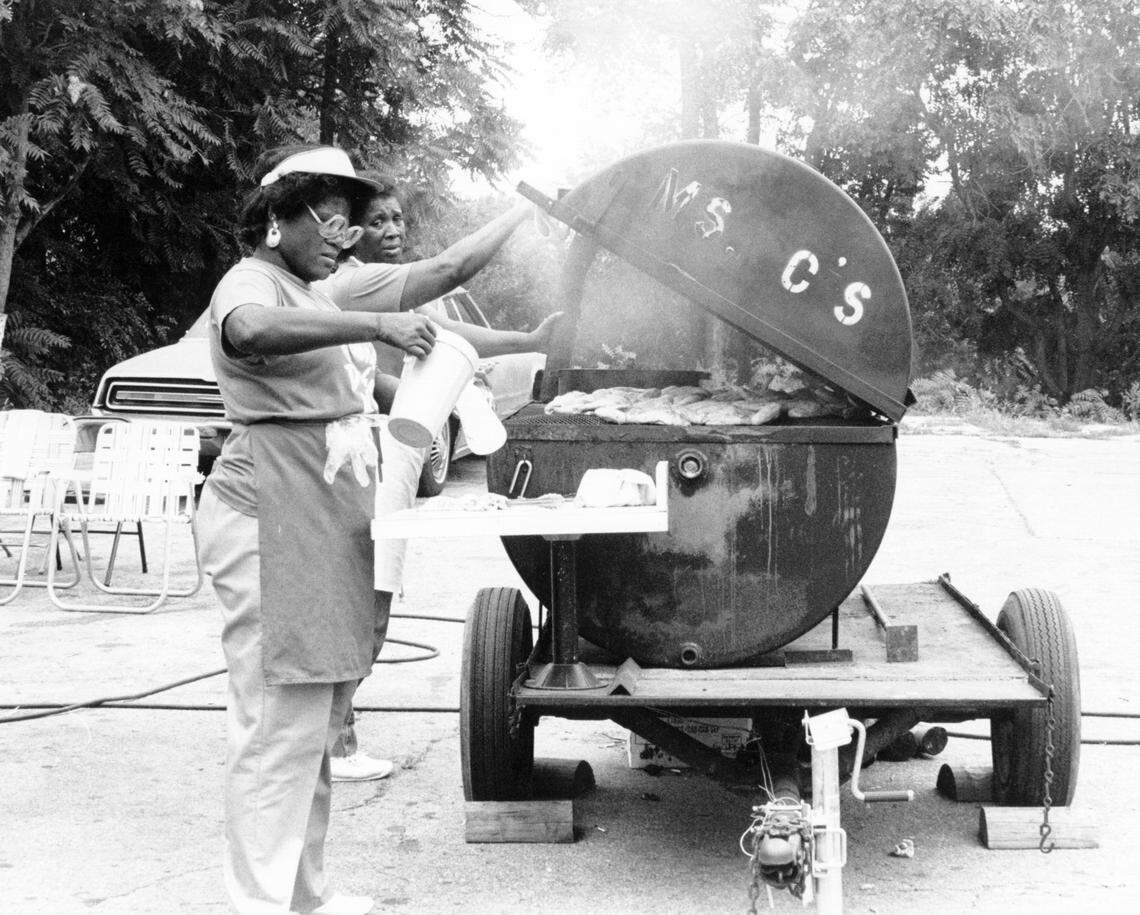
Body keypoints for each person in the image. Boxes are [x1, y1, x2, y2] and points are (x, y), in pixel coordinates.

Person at [196, 144, 533, 915]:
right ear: (276, 220)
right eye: (327, 220)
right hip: (268, 515)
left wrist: (443, 384)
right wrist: (377, 320)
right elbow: (248, 330)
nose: (342, 236)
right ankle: (259, 902)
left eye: (348, 222)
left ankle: (304, 895)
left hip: (321, 513)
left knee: (316, 719)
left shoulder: (318, 287)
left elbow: (364, 372)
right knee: (277, 719)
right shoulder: (250, 281)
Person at [313, 174, 561, 781]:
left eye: (398, 219)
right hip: (346, 465)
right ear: (348, 232)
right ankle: (329, 742)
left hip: (377, 462)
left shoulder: (373, 289)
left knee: (372, 605)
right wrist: (520, 211)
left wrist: (525, 341)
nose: (392, 231)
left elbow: (447, 339)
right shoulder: (352, 281)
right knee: (360, 607)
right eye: (377, 221)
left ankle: (332, 736)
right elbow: (452, 268)